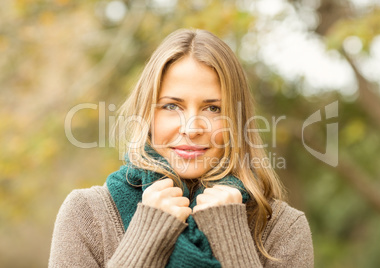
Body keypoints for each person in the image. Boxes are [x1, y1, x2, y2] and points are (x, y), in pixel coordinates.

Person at [49, 28, 314, 267]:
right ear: (147, 115)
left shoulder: (282, 228)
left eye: (213, 108)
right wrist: (144, 239)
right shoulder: (87, 214)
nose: (191, 128)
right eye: (171, 106)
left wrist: (232, 239)